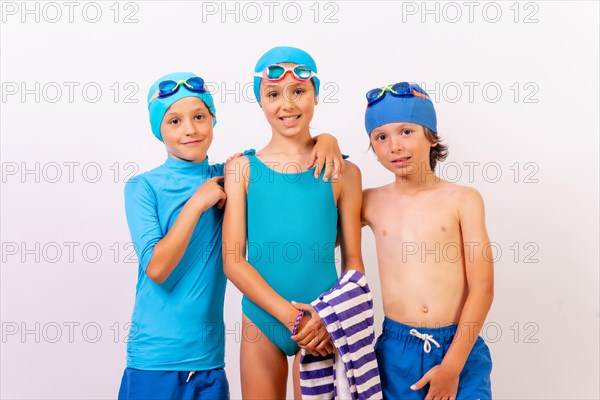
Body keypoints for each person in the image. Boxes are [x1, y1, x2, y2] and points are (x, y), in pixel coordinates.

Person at [118, 71, 343, 400]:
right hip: (154, 358)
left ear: (213, 119)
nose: (190, 129)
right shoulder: (142, 187)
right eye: (174, 121)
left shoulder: (232, 175)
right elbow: (157, 268)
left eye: (199, 117)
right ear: (158, 130)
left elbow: (292, 228)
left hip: (209, 360)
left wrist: (326, 139)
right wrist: (196, 205)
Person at [222, 46, 364, 399]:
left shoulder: (344, 173)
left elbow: (353, 264)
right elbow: (233, 260)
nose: (286, 105)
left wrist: (328, 318)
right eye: (273, 94)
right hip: (262, 317)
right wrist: (290, 317)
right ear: (260, 101)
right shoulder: (242, 169)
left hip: (323, 321)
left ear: (315, 93)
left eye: (298, 91)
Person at [361, 82, 494, 400]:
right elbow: (319, 239)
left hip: (460, 346)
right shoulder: (369, 202)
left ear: (431, 136)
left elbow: (483, 288)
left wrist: (452, 367)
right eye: (381, 137)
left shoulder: (462, 199)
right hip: (397, 351)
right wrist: (324, 144)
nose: (394, 146)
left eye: (406, 131)